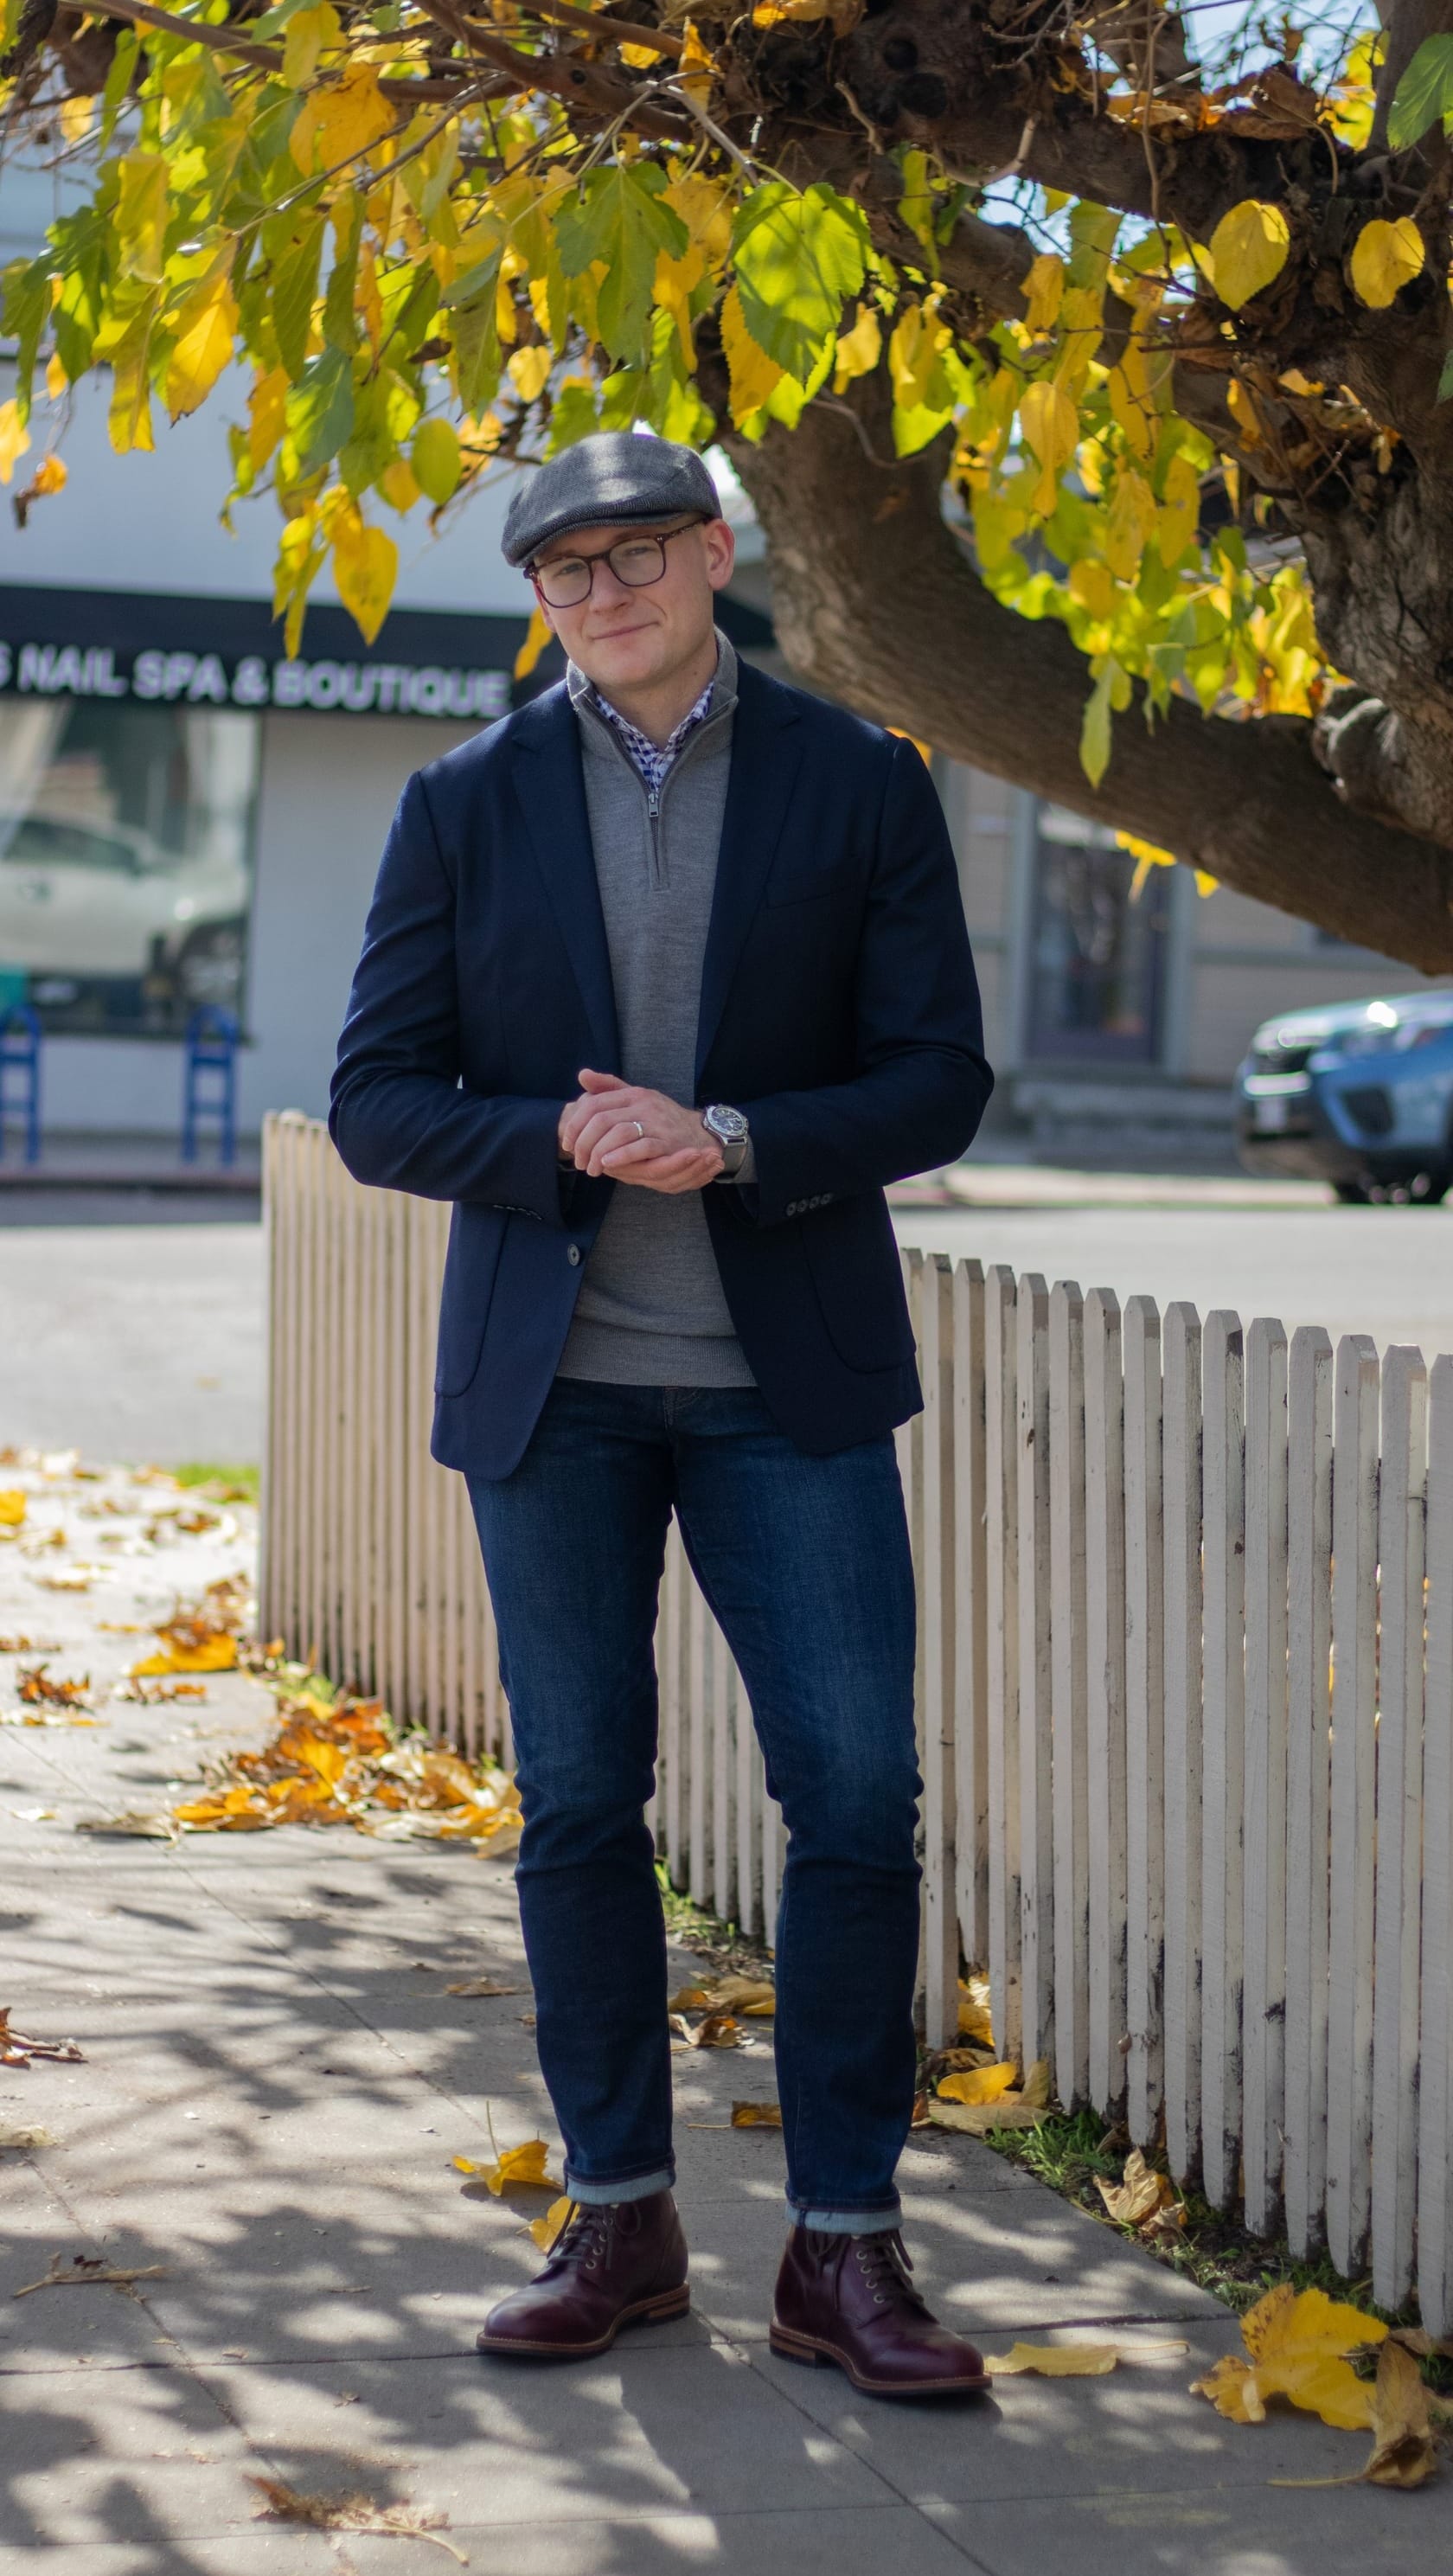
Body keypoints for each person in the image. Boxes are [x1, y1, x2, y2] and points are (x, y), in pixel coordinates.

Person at [330, 430, 995, 2399]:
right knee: (578, 1805)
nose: (603, 590)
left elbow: (938, 1079)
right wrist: (554, 1133)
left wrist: (735, 1141)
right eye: (565, 569)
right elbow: (379, 1096)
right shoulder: (462, 803)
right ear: (539, 599)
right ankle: (619, 2215)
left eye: (637, 553)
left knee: (859, 1801)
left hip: (787, 1390)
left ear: (715, 552)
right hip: (559, 1399)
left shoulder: (859, 783)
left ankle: (849, 2252)